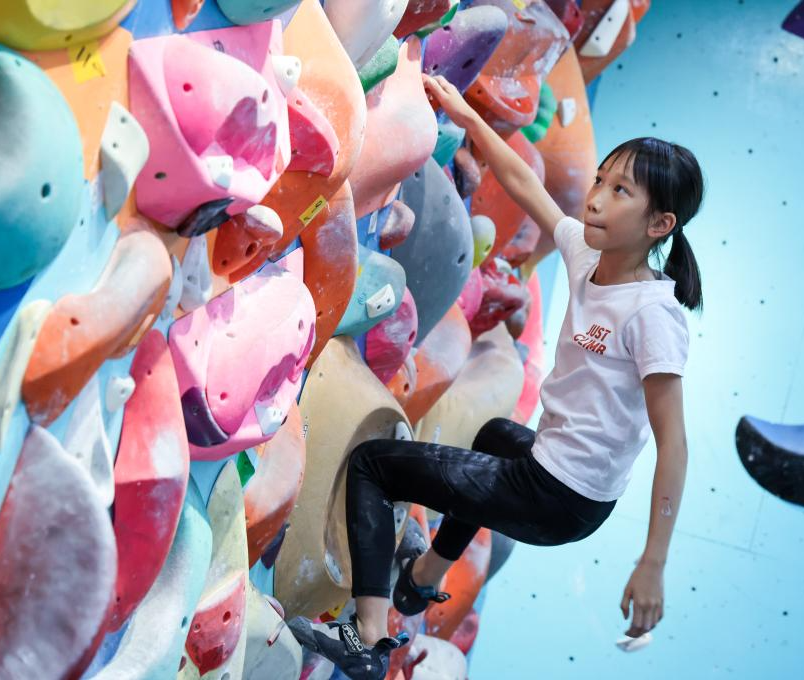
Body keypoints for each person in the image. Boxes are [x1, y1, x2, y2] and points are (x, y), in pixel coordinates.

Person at [287, 73, 705, 680]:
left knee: (373, 465)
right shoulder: (589, 256)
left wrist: (653, 563)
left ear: (659, 225)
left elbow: (675, 446)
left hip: (560, 496)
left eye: (621, 192)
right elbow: (525, 183)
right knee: (495, 436)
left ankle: (368, 637)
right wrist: (468, 117)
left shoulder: (653, 316)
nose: (596, 198)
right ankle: (422, 577)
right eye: (600, 180)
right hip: (552, 472)